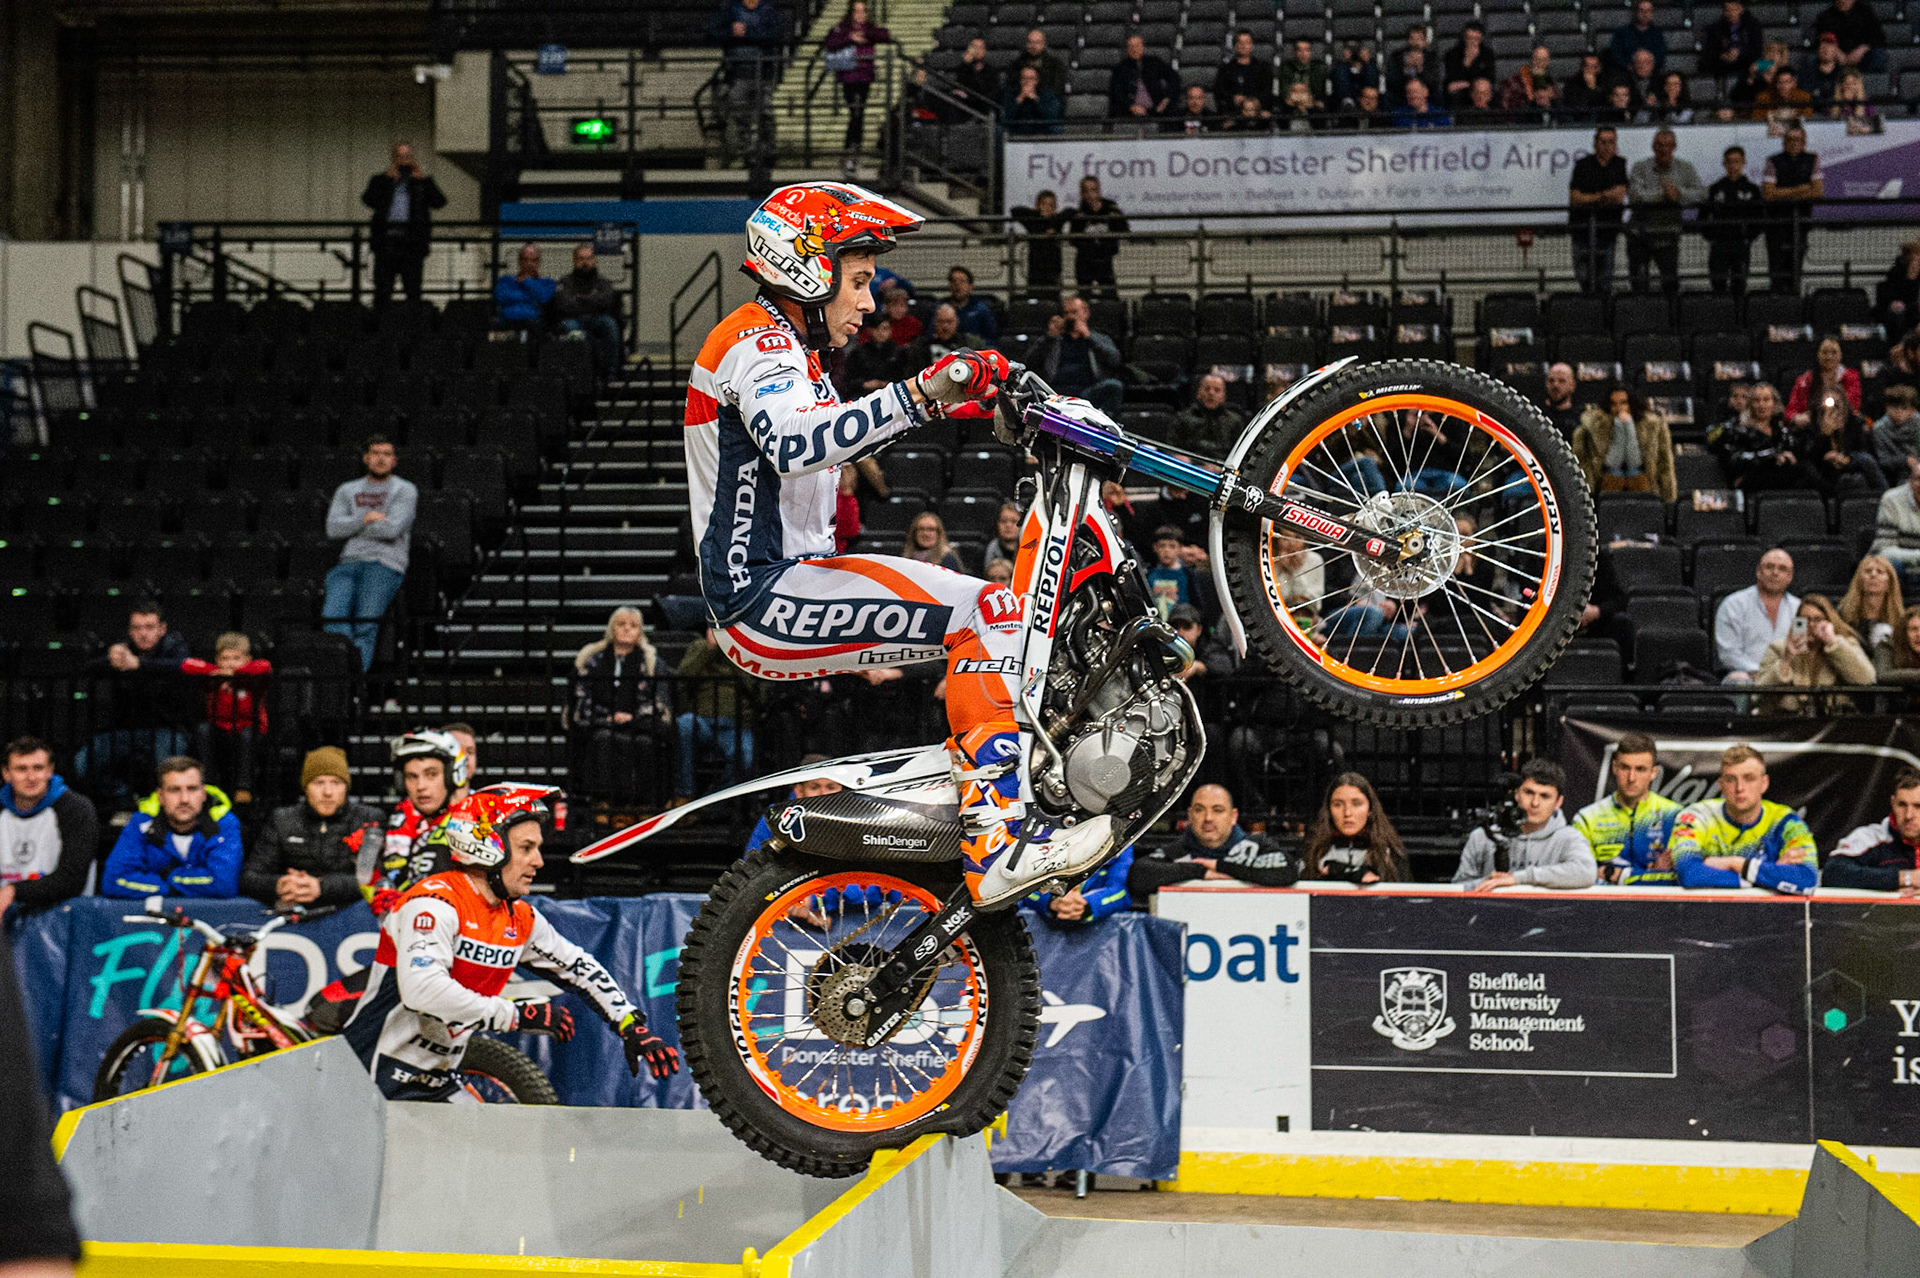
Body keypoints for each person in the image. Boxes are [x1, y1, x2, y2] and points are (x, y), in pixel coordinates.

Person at [689, 182, 1121, 908]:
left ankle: (990, 808)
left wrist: (965, 399)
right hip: (763, 594)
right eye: (858, 283)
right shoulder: (756, 344)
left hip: (795, 578)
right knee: (990, 615)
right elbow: (798, 445)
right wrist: (929, 390)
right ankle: (998, 841)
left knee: (999, 613)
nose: (867, 302)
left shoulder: (792, 347)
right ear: (808, 269)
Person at [342, 786, 678, 1100]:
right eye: (527, 848)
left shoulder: (519, 917)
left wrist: (629, 1024)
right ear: (487, 847)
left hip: (437, 1081)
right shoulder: (433, 903)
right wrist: (518, 1014)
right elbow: (422, 990)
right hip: (369, 1080)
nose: (539, 861)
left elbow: (580, 967)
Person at [75, 602, 194, 809]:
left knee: (170, 771)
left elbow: (183, 666)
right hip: (123, 729)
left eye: (149, 627)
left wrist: (140, 665)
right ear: (130, 630)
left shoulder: (173, 647)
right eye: (137, 628)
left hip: (166, 728)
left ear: (162, 629)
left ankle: (161, 814)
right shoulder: (123, 649)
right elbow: (87, 668)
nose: (143, 634)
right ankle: (124, 799)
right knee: (82, 764)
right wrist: (109, 659)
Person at [241, 747, 383, 910]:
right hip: (292, 919)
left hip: (353, 920)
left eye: (336, 783)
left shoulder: (368, 820)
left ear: (346, 787)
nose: (327, 792)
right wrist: (281, 884)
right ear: (305, 787)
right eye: (318, 782)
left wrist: (321, 887)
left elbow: (377, 878)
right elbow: (249, 877)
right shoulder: (283, 819)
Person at [322, 434, 417, 673]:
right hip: (349, 562)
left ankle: (353, 682)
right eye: (376, 453)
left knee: (365, 625)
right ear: (366, 458)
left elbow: (392, 529)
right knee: (332, 619)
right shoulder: (347, 489)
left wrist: (354, 525)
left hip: (384, 563)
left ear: (394, 460)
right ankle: (344, 672)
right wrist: (365, 518)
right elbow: (333, 529)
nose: (381, 459)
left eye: (386, 454)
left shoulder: (404, 490)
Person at [1669, 745, 1817, 892]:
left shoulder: (1786, 822)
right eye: (1731, 779)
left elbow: (1807, 877)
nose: (1740, 788)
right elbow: (1689, 874)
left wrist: (1737, 864)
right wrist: (1768, 877)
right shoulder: (1695, 816)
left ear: (1764, 783)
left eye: (1749, 778)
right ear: (1721, 785)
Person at [1126, 783, 1301, 901]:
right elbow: (1139, 876)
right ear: (1190, 815)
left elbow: (1288, 871)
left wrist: (1220, 867)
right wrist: (1200, 871)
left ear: (1233, 817)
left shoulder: (1256, 846)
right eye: (1199, 810)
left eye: (1217, 810)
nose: (1208, 818)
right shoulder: (1178, 850)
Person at [572, 607, 672, 809]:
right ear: (611, 629)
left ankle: (641, 805)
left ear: (640, 632)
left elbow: (657, 699)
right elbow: (581, 695)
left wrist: (631, 717)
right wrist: (606, 716)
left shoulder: (651, 661)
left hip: (639, 724)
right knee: (603, 739)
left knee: (643, 742)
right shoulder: (592, 658)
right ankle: (604, 803)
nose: (627, 629)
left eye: (633, 626)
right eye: (621, 624)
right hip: (600, 722)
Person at [102, 756, 242, 898]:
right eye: (174, 790)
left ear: (203, 794)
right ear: (160, 796)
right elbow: (113, 881)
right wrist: (169, 888)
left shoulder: (224, 824)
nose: (184, 799)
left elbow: (223, 884)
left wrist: (170, 876)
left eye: (192, 789)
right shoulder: (141, 824)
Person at [1453, 760, 1598, 891]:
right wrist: (1490, 883)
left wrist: (1518, 878)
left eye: (1545, 796)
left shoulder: (1569, 838)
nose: (1535, 803)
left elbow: (1587, 872)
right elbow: (1457, 888)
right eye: (1529, 792)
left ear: (1558, 802)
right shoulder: (1483, 836)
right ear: (1517, 794)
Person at [0, 737, 98, 912]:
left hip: (65, 916)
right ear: (6, 774)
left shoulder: (77, 809)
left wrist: (14, 891)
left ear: (50, 771)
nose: (31, 777)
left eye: (38, 768)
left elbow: (72, 880)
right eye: (21, 769)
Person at [373, 729, 471, 901]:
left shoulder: (477, 818)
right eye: (412, 776)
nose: (420, 786)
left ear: (452, 776)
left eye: (431, 774)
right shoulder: (400, 819)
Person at [1572, 731, 1682, 886]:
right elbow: (1581, 876)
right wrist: (1651, 874)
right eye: (1625, 768)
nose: (1631, 778)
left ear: (1654, 772)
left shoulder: (1676, 816)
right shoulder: (1587, 818)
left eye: (1640, 769)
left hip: (1658, 908)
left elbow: (1679, 879)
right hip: (1603, 908)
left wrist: (1615, 874)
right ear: (1615, 767)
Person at [179, 632, 271, 805]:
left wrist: (236, 676)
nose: (230, 663)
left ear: (247, 659)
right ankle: (208, 786)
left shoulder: (255, 677)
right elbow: (187, 665)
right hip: (220, 730)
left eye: (236, 658)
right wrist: (217, 673)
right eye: (225, 658)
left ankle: (243, 789)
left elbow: (264, 665)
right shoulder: (214, 676)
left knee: (247, 735)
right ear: (218, 659)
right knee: (203, 729)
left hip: (248, 730)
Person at [1754, 593, 1876, 712]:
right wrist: (1786, 659)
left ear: (1829, 621)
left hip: (1834, 720)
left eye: (1817, 619)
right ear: (1797, 622)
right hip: (1788, 721)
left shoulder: (1844, 645)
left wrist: (1833, 642)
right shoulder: (1778, 648)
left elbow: (1866, 679)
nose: (1811, 625)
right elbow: (1758, 695)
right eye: (1805, 620)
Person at [360, 142, 445, 310]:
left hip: (412, 244)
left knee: (413, 290)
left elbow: (439, 202)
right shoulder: (381, 180)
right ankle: (380, 327)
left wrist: (423, 180)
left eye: (408, 157)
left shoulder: (420, 183)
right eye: (401, 157)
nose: (405, 161)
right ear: (394, 159)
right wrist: (387, 178)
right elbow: (368, 200)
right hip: (386, 243)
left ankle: (412, 328)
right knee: (383, 290)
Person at [675, 628, 757, 800]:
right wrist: (709, 649)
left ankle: (709, 803)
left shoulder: (747, 649)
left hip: (735, 726)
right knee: (685, 723)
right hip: (702, 723)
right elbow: (685, 675)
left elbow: (756, 690)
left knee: (745, 757)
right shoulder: (698, 646)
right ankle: (685, 795)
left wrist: (735, 653)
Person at [1626, 129, 1704, 296]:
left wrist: (1679, 194)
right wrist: (1662, 195)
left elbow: (1701, 193)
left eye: (1668, 145)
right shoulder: (1640, 167)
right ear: (1653, 147)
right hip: (1640, 236)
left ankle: (1670, 319)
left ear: (1674, 147)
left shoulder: (1685, 168)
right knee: (1638, 286)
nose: (1664, 149)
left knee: (1670, 284)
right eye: (1660, 145)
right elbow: (1635, 196)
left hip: (1668, 237)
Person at [1027, 293, 1125, 418]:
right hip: (1054, 393)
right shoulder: (1053, 339)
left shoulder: (1098, 338)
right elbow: (1029, 362)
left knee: (1114, 386)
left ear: (1086, 313)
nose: (1070, 317)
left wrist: (1089, 337)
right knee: (1026, 387)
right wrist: (1049, 337)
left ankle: (1111, 431)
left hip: (1087, 392)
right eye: (1066, 313)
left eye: (1074, 312)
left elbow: (1115, 360)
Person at [1300, 772, 1409, 883]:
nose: (1347, 813)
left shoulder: (1390, 850)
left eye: (1356, 804)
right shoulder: (1313, 848)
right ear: (1329, 810)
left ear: (1370, 809)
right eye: (1338, 804)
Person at [824, 0, 891, 175]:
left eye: (863, 11)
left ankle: (851, 151)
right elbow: (830, 41)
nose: (860, 15)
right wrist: (850, 38)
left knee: (859, 112)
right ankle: (852, 151)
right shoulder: (843, 29)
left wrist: (866, 33)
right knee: (855, 112)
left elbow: (884, 35)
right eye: (857, 11)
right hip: (848, 75)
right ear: (851, 13)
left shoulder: (870, 29)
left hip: (865, 76)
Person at [1825, 768, 1920, 890]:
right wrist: (1905, 878)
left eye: (1918, 806)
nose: (1908, 815)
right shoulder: (1871, 837)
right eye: (1902, 805)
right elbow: (1833, 873)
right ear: (1893, 803)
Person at [1575, 388, 1677, 499]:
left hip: (1642, 480)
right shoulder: (1596, 425)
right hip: (1606, 481)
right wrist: (1620, 426)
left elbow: (1636, 462)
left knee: (1636, 476)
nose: (1619, 408)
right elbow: (1613, 463)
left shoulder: (1652, 424)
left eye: (1623, 403)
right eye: (1614, 404)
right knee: (1613, 476)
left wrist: (1628, 426)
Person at [719, 0, 783, 174]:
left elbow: (776, 34)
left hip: (762, 73)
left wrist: (747, 32)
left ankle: (769, 153)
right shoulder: (731, 9)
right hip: (738, 72)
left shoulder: (768, 10)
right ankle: (749, 154)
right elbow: (712, 31)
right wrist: (731, 32)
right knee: (741, 117)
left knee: (766, 114)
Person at [1717, 548, 1800, 678]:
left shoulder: (1799, 609)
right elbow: (1729, 654)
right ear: (1758, 572)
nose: (1775, 573)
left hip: (1786, 676)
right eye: (1769, 567)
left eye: (1782, 569)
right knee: (1738, 679)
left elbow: (1801, 648)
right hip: (1748, 676)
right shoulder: (1733, 604)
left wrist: (1779, 673)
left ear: (1790, 577)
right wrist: (1763, 673)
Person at [1715, 383, 1810, 492]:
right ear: (1750, 404)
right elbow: (1735, 459)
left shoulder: (1780, 429)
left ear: (1774, 403)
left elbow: (1792, 452)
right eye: (1756, 400)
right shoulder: (1737, 429)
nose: (1761, 405)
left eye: (1766, 400)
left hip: (1779, 474)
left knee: (1803, 470)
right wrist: (1772, 457)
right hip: (1751, 478)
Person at [1569, 127, 1629, 295]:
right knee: (1583, 276)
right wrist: (1603, 196)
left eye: (1611, 142)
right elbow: (1575, 198)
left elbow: (1618, 196)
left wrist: (1590, 197)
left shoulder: (1619, 164)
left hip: (1608, 231)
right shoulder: (1582, 165)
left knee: (1605, 279)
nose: (1607, 146)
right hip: (1581, 230)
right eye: (1603, 142)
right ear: (1595, 144)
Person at [1763, 124, 1822, 293]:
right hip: (1776, 224)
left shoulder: (1813, 159)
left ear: (1804, 142)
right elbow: (1768, 193)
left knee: (1795, 268)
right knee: (1777, 268)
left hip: (1801, 223)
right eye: (1791, 139)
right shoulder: (1773, 161)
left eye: (1799, 140)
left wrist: (1782, 192)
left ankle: (1794, 305)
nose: (1795, 143)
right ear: (1784, 142)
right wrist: (1802, 189)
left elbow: (1817, 191)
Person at [1792, 397, 1886, 497]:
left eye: (1837, 409)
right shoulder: (1813, 429)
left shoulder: (1855, 424)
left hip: (1851, 466)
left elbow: (1864, 451)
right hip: (1823, 472)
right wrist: (1825, 454)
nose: (1833, 414)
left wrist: (1845, 457)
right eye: (1828, 411)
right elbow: (1808, 457)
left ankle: (1885, 497)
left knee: (1863, 466)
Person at [552, 242, 623, 373]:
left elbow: (606, 302)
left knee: (610, 325)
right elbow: (564, 305)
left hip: (597, 319)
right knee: (570, 328)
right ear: (574, 261)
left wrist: (579, 299)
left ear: (594, 260)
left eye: (588, 258)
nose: (585, 262)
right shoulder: (564, 282)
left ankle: (612, 371)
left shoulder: (604, 283)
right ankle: (577, 373)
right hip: (573, 321)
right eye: (581, 259)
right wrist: (592, 301)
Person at [1023, 845, 1135, 928]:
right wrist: (1050, 900)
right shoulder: (1044, 830)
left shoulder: (1120, 838)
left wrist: (1088, 906)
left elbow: (1121, 891)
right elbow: (1020, 889)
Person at [1702, 145, 1764, 295]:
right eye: (1729, 162)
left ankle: (1739, 316)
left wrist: (1749, 237)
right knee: (1717, 283)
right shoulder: (1715, 189)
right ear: (1724, 164)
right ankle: (1722, 314)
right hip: (1719, 244)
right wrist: (1712, 237)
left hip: (1741, 244)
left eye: (1737, 161)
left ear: (1743, 163)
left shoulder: (1752, 189)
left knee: (1739, 284)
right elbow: (1702, 216)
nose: (1733, 165)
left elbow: (1760, 217)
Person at [1786, 335, 1863, 426]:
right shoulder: (1804, 380)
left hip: (1843, 424)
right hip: (1811, 425)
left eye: (1834, 352)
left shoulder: (1851, 377)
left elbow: (1853, 404)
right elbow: (1790, 410)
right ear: (1818, 354)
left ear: (1841, 354)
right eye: (1825, 352)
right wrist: (1796, 417)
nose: (1829, 357)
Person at [1068, 176, 1127, 293]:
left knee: (1110, 296)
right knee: (1084, 295)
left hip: (1104, 261)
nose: (1090, 194)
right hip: (1085, 262)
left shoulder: (1111, 208)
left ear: (1099, 191)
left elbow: (1124, 229)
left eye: (1093, 190)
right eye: (1086, 191)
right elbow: (1072, 239)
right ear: (1082, 194)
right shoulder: (1079, 213)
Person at [1108, 32, 1178, 121]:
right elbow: (1116, 94)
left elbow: (1174, 78)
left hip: (1157, 112)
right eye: (1131, 47)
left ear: (1143, 47)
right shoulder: (1120, 69)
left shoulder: (1155, 62)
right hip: (1129, 114)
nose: (1134, 49)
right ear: (1127, 50)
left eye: (1137, 46)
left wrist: (1167, 99)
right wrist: (1131, 107)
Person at [1173, 372, 1247, 456]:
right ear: (1198, 393)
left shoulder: (1235, 421)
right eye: (1207, 389)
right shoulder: (1182, 418)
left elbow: (1239, 455)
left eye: (1217, 390)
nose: (1211, 393)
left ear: (1223, 396)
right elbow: (1171, 449)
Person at [1841, 554, 1905, 650]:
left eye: (1879, 572)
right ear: (1859, 581)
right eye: (1868, 571)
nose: (1873, 575)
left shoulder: (1901, 621)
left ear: (1889, 583)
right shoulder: (1842, 617)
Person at [1874, 462, 1920, 582]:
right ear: (1910, 481)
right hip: (1901, 567)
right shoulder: (1892, 500)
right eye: (1918, 479)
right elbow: (1885, 551)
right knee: (1887, 563)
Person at [1013, 189, 1068, 290]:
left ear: (1055, 208)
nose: (1047, 208)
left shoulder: (1057, 221)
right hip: (1036, 270)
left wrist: (1055, 226)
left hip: (1054, 270)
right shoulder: (1033, 222)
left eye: (1051, 205)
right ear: (1038, 205)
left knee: (1053, 301)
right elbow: (1015, 210)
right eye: (1044, 204)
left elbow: (1069, 211)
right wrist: (1038, 214)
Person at [494, 242, 555, 329]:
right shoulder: (505, 280)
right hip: (507, 321)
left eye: (533, 260)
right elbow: (500, 297)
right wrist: (529, 296)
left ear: (538, 262)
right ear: (519, 261)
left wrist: (527, 281)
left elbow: (544, 298)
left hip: (534, 324)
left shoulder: (547, 283)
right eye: (525, 260)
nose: (529, 264)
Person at [1813, 0, 1887, 70]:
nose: (1842, 1)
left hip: (1861, 55)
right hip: (1836, 57)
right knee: (1814, 58)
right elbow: (1819, 39)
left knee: (1878, 54)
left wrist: (1863, 49)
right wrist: (1835, 51)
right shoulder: (1825, 16)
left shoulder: (1866, 13)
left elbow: (1879, 37)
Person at [1701, 0, 1764, 83]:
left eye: (1734, 10)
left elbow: (1757, 49)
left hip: (1746, 61)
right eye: (1727, 10)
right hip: (1724, 64)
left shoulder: (1753, 25)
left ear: (1741, 9)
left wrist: (1740, 53)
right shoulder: (1716, 28)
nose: (1731, 13)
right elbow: (1710, 51)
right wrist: (1722, 55)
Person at [1215, 29, 1272, 114]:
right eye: (1240, 42)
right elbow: (1220, 91)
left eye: (1247, 42)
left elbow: (1266, 91)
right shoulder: (1226, 69)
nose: (1243, 46)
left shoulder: (1262, 68)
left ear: (1252, 45)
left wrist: (1252, 101)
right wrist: (1233, 98)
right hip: (1234, 111)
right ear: (1235, 45)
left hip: (1257, 112)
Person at [999, 63, 1062, 137]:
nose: (1027, 81)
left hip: (1041, 129)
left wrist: (1036, 99)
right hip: (1016, 129)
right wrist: (1019, 99)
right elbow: (1005, 117)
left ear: (1036, 81)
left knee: (1055, 128)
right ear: (1020, 80)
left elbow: (1051, 117)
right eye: (1024, 78)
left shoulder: (1047, 94)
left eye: (1031, 78)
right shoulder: (1010, 93)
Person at [1442, 21, 1495, 104]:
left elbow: (1490, 78)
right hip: (1460, 92)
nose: (1472, 42)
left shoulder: (1487, 54)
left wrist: (1470, 84)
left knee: (1484, 92)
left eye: (1476, 39)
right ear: (1464, 38)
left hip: (1480, 89)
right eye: (1469, 38)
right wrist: (1468, 61)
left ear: (1481, 39)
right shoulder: (1452, 54)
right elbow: (1452, 80)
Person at [914, 304, 984, 366]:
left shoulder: (971, 344)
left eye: (949, 322)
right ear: (934, 323)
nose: (945, 326)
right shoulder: (921, 347)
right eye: (941, 321)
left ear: (957, 322)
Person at [1873, 386, 1920, 476]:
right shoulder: (1880, 428)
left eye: (1904, 408)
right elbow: (1883, 460)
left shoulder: (1918, 424)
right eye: (1894, 407)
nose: (1898, 412)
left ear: (1912, 411)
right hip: (1894, 472)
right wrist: (1904, 461)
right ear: (1887, 408)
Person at [943, 265, 998, 342]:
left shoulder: (981, 310)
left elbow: (991, 339)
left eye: (962, 281)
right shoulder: (940, 310)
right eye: (953, 281)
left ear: (970, 286)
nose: (957, 285)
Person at [1877, 240, 1920, 336]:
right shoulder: (1896, 272)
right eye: (1917, 254)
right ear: (1908, 256)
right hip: (1906, 313)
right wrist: (1911, 278)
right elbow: (1895, 297)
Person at [901, 511, 966, 572]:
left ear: (938, 534)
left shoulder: (947, 558)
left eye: (931, 529)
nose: (926, 534)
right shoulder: (906, 558)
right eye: (921, 529)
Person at [1015, 26, 1068, 99]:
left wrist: (1037, 96)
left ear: (1044, 44)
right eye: (1030, 42)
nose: (1033, 46)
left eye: (1037, 42)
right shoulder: (1016, 65)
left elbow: (1058, 89)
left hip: (1048, 102)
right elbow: (1012, 87)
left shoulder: (1055, 65)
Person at [1875, 605, 1920, 687]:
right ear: (1904, 632)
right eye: (1914, 629)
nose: (1918, 634)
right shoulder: (1887, 646)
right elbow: (1883, 675)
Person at [1560, 52, 1610, 120]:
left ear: (1599, 68)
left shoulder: (1605, 81)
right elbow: (1576, 106)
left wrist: (1593, 88)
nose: (1591, 70)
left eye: (1595, 67)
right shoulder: (1572, 83)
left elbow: (1606, 103)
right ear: (1582, 68)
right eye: (1588, 67)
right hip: (1580, 120)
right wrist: (1590, 89)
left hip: (1602, 118)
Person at [1332, 40, 1381, 108]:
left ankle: (1369, 100)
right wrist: (1344, 60)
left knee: (1370, 69)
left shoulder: (1369, 66)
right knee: (1340, 70)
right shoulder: (1341, 67)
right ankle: (1347, 102)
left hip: (1365, 86)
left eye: (1356, 49)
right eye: (1351, 49)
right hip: (1346, 88)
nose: (1354, 52)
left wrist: (1366, 61)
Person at [982, 501, 1022, 577]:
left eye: (1014, 521)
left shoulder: (1030, 548)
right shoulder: (991, 549)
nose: (1008, 525)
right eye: (1003, 521)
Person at [1542, 362, 1582, 436]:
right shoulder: (1539, 416)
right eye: (1551, 380)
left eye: (1562, 381)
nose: (1555, 385)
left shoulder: (1581, 421)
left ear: (1572, 385)